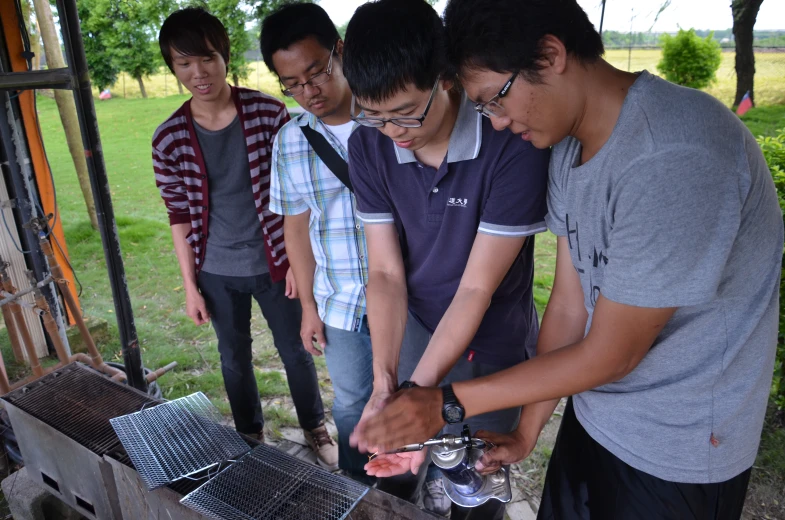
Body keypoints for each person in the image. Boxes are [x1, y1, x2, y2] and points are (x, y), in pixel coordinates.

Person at [350, 0, 784, 518]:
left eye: (494, 101)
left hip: (679, 447)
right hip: (595, 416)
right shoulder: (568, 152)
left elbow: (612, 354)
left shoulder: (674, 154)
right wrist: (526, 431)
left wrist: (445, 403)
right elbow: (568, 309)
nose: (499, 122)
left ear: (551, 54)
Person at [342, 0, 550, 517]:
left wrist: (419, 393)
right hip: (416, 330)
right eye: (374, 114)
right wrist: (389, 386)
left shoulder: (510, 146)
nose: (393, 130)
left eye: (407, 111)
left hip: (492, 346)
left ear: (447, 79)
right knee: (413, 459)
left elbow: (477, 288)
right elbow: (386, 273)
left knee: (475, 484)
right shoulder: (368, 145)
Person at [151, 7, 337, 470]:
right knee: (233, 359)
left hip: (275, 260)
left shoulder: (268, 112)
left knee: (296, 350)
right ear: (172, 68)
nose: (198, 73)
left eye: (207, 58)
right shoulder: (169, 138)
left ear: (225, 57)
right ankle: (249, 437)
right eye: (184, 63)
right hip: (215, 270)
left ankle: (316, 427)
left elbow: (298, 195)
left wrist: (298, 262)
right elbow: (179, 217)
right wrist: (190, 285)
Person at [260, 2, 373, 483]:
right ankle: (358, 488)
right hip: (341, 299)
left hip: (414, 297)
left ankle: (417, 480)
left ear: (339, 52)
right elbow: (296, 230)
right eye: (292, 84)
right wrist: (308, 306)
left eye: (317, 73)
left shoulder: (391, 117)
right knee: (350, 401)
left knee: (417, 394)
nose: (309, 92)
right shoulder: (290, 141)